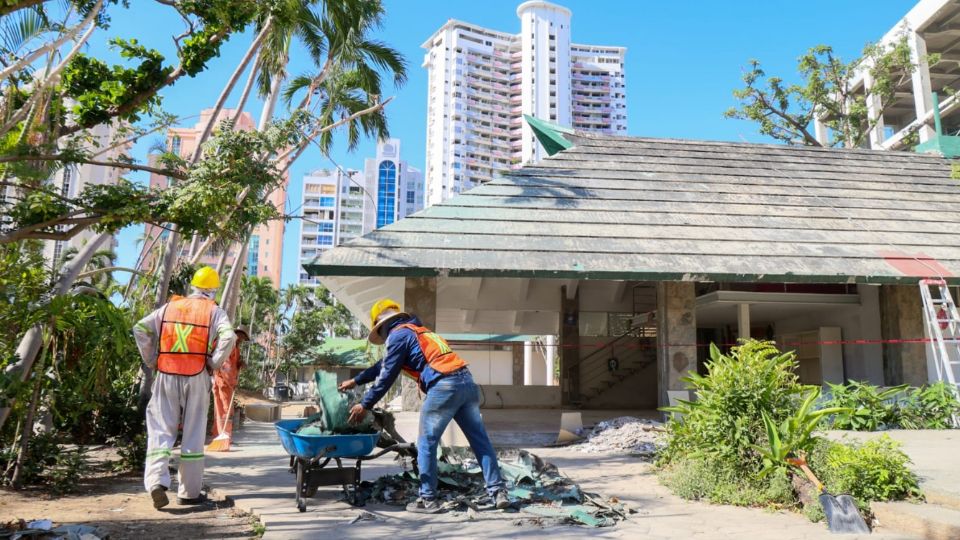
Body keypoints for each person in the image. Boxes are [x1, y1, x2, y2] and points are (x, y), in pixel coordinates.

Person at [338, 299, 508, 513]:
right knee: (479, 440)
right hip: (467, 384)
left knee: (426, 443)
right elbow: (383, 365)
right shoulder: (418, 332)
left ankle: (427, 499)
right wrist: (356, 381)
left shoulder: (397, 336)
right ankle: (498, 491)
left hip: (444, 386)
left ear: (381, 326)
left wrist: (365, 404)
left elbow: (386, 375)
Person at [133, 266, 236, 509]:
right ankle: (188, 493)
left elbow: (141, 328)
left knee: (160, 429)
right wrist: (214, 362)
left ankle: (157, 482)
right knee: (193, 432)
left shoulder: (169, 307)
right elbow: (229, 336)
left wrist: (152, 360)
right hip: (196, 375)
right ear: (212, 291)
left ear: (193, 287)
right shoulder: (214, 310)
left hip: (166, 373)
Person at [211, 326, 248, 443]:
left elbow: (233, 365)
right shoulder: (229, 345)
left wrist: (240, 364)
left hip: (224, 382)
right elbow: (225, 366)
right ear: (237, 334)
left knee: (221, 409)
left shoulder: (235, 348)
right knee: (226, 410)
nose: (241, 340)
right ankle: (224, 436)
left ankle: (220, 434)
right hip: (224, 382)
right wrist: (232, 382)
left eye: (243, 339)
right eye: (241, 337)